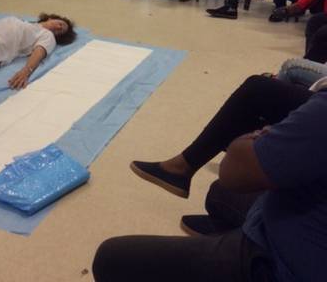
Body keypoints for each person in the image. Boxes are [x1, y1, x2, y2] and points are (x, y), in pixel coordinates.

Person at [94, 75, 327, 282]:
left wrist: (255, 140)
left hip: (282, 261)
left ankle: (232, 248)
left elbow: (233, 173)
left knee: (111, 259)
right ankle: (221, 228)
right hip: (282, 217)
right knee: (218, 194)